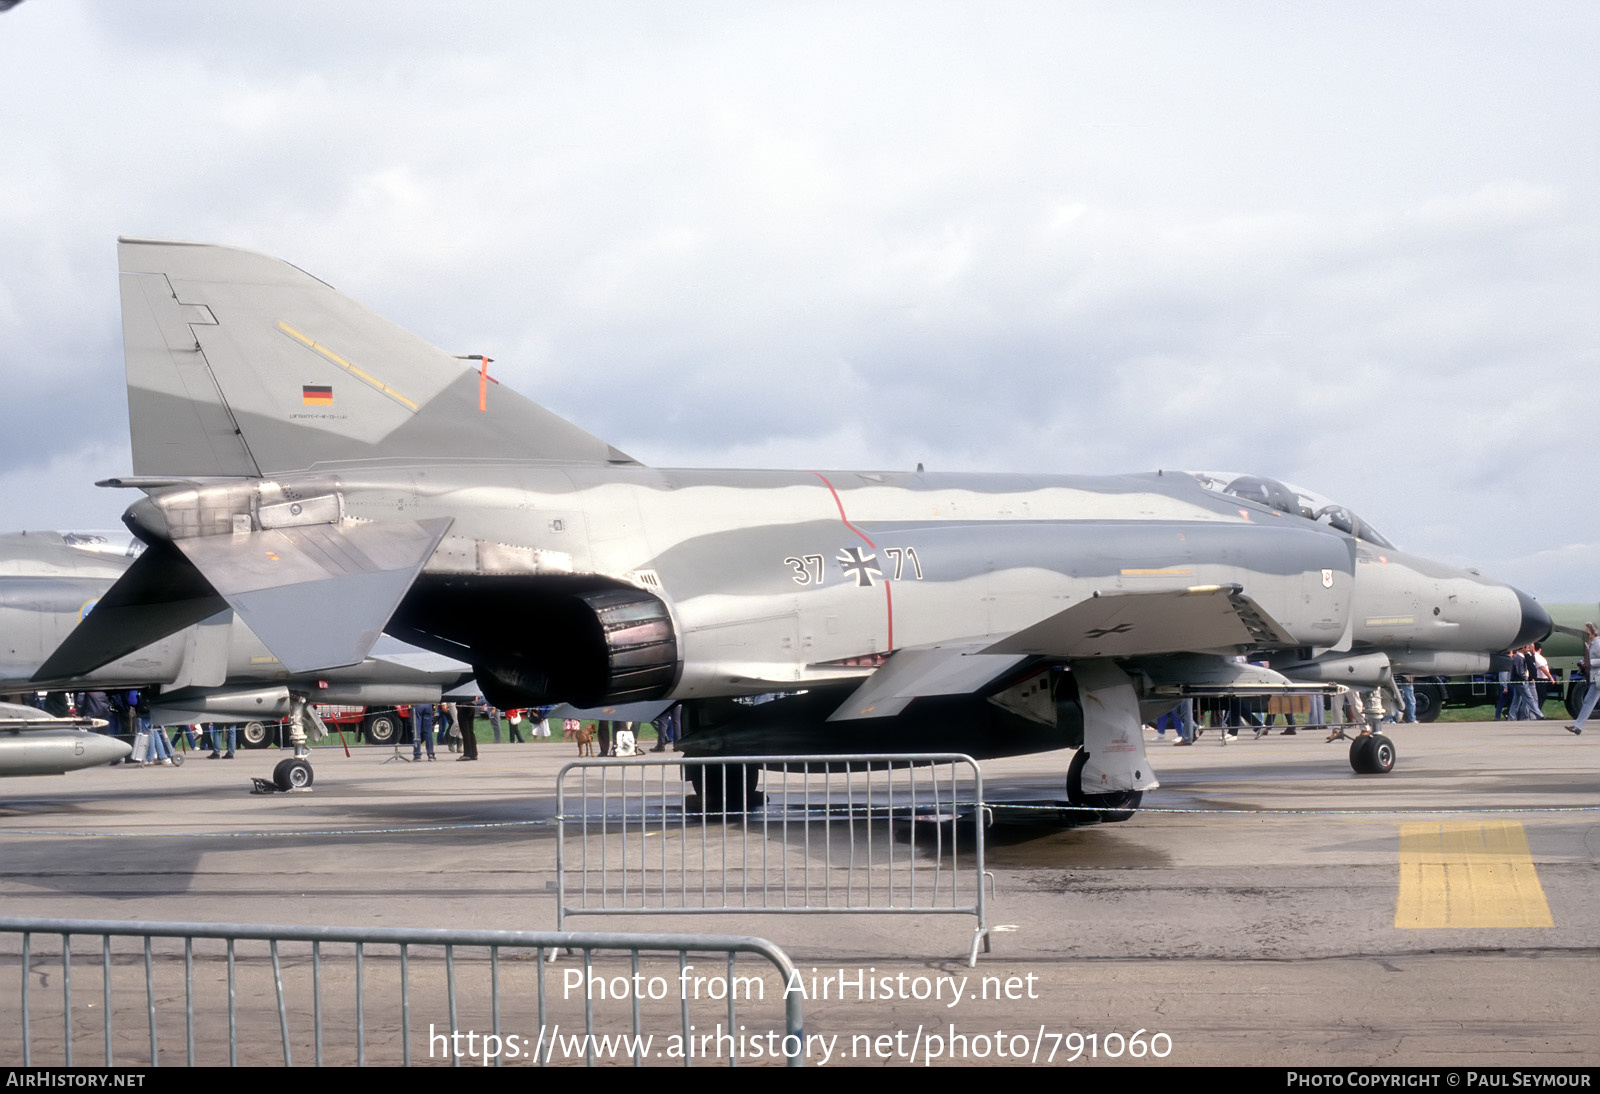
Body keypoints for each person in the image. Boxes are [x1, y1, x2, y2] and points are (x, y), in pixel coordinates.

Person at [1566, 623, 1599, 735]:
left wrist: (1589, 663)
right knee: (1588, 701)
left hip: (1598, 678)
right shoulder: (1591, 644)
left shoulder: (1598, 643)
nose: (1585, 634)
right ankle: (1577, 727)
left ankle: (1577, 726)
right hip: (1595, 677)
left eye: (1587, 632)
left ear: (1593, 633)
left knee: (1588, 701)